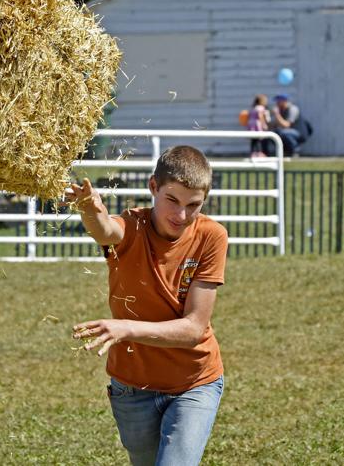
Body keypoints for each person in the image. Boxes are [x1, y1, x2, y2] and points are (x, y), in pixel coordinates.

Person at [68, 146, 228, 466]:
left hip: (194, 382)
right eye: (172, 200)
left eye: (193, 205)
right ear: (153, 187)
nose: (181, 216)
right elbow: (106, 229)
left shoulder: (212, 236)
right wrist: (89, 209)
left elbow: (194, 328)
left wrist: (125, 327)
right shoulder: (132, 226)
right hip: (132, 387)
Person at [246, 94, 270, 158]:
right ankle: (259, 153)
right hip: (257, 125)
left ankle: (253, 153)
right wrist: (264, 124)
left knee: (253, 140)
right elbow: (260, 116)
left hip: (251, 125)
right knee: (259, 140)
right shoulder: (261, 108)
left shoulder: (253, 108)